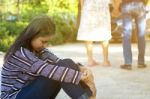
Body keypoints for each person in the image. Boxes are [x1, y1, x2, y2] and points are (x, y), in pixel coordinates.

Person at [1, 15, 96, 99]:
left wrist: (82, 69)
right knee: (57, 71)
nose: (45, 45)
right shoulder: (20, 53)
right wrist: (82, 77)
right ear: (32, 35)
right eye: (43, 41)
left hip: (28, 93)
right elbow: (49, 70)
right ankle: (87, 97)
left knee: (67, 62)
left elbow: (62, 63)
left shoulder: (40, 51)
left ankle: (87, 96)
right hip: (14, 96)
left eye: (47, 42)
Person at [77, 0, 112, 66]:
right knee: (104, 32)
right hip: (102, 7)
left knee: (88, 34)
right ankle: (105, 61)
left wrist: (82, 9)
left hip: (89, 7)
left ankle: (90, 60)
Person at [120, 0, 148, 70]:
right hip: (140, 4)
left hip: (126, 5)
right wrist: (144, 3)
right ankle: (141, 62)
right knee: (141, 35)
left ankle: (128, 63)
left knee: (126, 34)